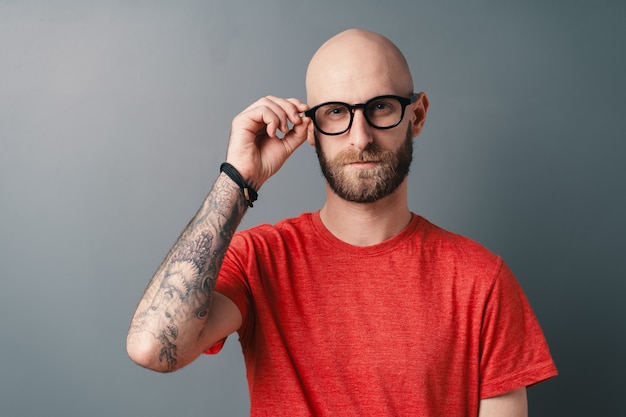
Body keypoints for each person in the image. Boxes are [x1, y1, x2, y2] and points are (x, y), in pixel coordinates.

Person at [127, 28, 557, 416]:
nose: (360, 137)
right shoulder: (259, 260)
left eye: (382, 107)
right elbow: (152, 348)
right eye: (335, 112)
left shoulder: (482, 280)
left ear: (417, 115)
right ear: (311, 128)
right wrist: (237, 179)